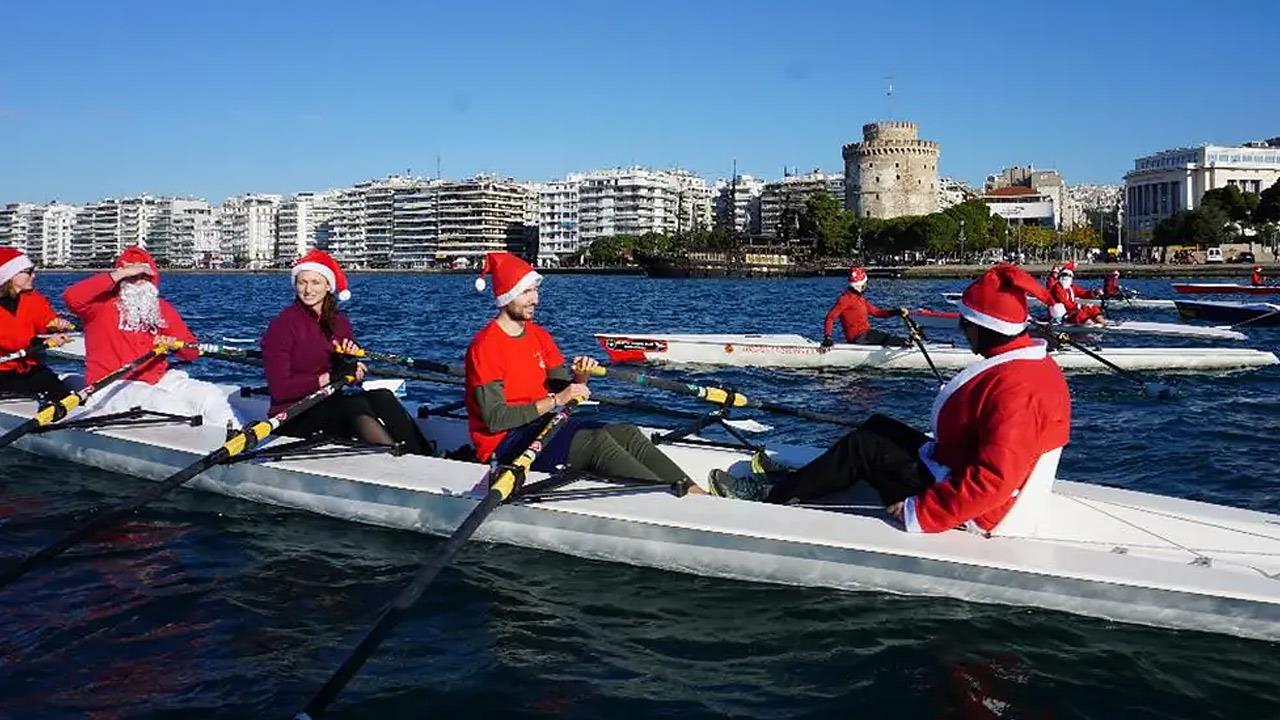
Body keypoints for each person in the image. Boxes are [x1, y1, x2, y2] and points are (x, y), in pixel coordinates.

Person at [711, 264, 1072, 538]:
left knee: (865, 447)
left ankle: (772, 495)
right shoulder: (1032, 366)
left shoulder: (1015, 388)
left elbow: (994, 478)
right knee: (879, 425)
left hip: (979, 512)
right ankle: (806, 481)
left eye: (966, 323)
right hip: (958, 468)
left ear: (984, 326)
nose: (962, 331)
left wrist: (923, 512)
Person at [465, 251, 701, 494]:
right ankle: (666, 499)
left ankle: (695, 494)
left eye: (536, 290)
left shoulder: (540, 336)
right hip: (504, 444)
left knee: (626, 432)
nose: (535, 299)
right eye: (526, 292)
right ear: (506, 296)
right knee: (594, 443)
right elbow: (496, 420)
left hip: (541, 425)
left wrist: (581, 376)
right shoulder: (485, 347)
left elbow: (563, 388)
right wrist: (558, 400)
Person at [261, 249, 431, 454]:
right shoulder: (282, 326)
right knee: (355, 405)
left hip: (329, 401)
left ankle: (422, 455)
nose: (308, 290)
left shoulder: (339, 322)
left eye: (315, 282)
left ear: (328, 287)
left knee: (383, 396)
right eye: (302, 282)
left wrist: (351, 368)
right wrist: (329, 377)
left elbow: (348, 375)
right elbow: (280, 390)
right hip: (293, 414)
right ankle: (393, 460)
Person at [62, 246, 242, 427]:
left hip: (159, 379)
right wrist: (120, 273)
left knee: (209, 394)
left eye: (144, 275)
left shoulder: (162, 308)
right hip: (110, 385)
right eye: (132, 276)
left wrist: (176, 346)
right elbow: (72, 297)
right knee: (164, 404)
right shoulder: (99, 306)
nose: (138, 280)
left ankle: (238, 435)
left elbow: (192, 352)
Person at [0, 247, 76, 400]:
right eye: (28, 272)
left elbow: (44, 318)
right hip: (3, 371)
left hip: (29, 366)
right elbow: (8, 340)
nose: (33, 276)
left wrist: (54, 325)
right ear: (10, 276)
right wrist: (39, 341)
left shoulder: (32, 298)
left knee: (64, 397)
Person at [821, 266, 909, 348]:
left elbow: (877, 313)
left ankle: (905, 344)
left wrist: (897, 312)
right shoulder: (845, 299)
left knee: (890, 339)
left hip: (865, 336)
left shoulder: (860, 298)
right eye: (866, 283)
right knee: (893, 340)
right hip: (861, 337)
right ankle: (907, 346)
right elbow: (830, 317)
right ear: (862, 285)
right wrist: (827, 337)